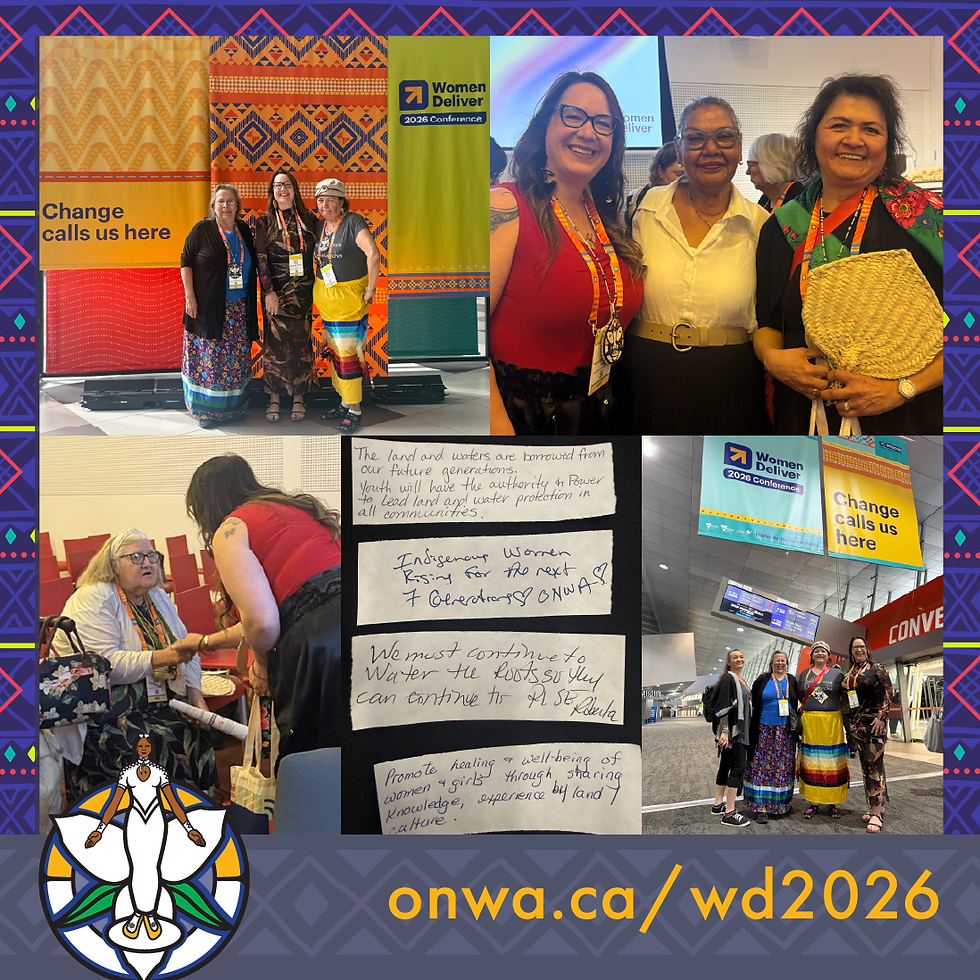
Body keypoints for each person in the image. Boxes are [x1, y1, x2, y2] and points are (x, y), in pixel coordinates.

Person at [755, 74, 943, 434]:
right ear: (814, 136)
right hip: (805, 417)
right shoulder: (782, 227)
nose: (854, 140)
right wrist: (773, 358)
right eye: (839, 125)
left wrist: (901, 389)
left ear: (888, 143)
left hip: (908, 419)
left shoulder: (927, 221)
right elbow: (766, 321)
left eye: (871, 130)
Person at [489, 71, 644, 436]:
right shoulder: (506, 206)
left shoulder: (604, 216)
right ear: (545, 125)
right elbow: (464, 336)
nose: (588, 132)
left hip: (601, 405)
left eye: (603, 124)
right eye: (573, 116)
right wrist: (496, 429)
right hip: (526, 417)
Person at [627, 96, 770, 434]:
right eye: (694, 139)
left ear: (737, 148)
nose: (711, 149)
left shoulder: (762, 226)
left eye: (724, 137)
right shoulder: (640, 209)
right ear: (678, 149)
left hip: (731, 378)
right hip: (645, 371)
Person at [185, 454, 342, 759]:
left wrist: (263, 667)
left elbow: (263, 624)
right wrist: (205, 642)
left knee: (315, 761)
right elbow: (273, 613)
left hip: (319, 644)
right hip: (358, 620)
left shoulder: (231, 528)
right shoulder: (294, 508)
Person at [53, 530, 216, 801]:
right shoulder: (94, 598)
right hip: (103, 708)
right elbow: (105, 666)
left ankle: (189, 810)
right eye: (136, 557)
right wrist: (165, 657)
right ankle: (137, 818)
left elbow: (187, 647)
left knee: (194, 731)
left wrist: (195, 694)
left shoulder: (157, 596)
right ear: (113, 565)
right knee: (151, 742)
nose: (148, 563)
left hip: (153, 702)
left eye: (152, 556)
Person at [84, 734, 205, 942]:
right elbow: (114, 803)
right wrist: (100, 829)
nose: (143, 748)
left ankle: (151, 916)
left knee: (154, 868)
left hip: (156, 820)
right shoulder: (128, 774)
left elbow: (173, 802)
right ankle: (137, 914)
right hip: (135, 821)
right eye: (139, 745)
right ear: (135, 748)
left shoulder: (159, 774)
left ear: (152, 749)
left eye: (146, 746)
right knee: (136, 868)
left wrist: (188, 828)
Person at [180, 184, 258, 428]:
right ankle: (207, 413)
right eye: (221, 201)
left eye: (230, 201)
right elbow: (186, 261)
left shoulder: (244, 230)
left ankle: (234, 409)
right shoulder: (202, 229)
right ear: (213, 206)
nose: (226, 206)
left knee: (236, 359)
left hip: (239, 307)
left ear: (238, 206)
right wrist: (190, 297)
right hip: (208, 308)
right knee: (210, 359)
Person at [312, 178, 380, 434]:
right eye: (320, 199)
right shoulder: (319, 226)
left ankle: (355, 410)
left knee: (349, 356)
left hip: (350, 301)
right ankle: (344, 402)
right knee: (336, 354)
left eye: (330, 199)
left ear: (342, 201)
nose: (325, 204)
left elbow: (373, 253)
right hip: (328, 301)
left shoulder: (352, 221)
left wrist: (371, 289)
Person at [254, 169, 318, 423]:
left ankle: (299, 397)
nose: (283, 189)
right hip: (276, 293)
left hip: (304, 292)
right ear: (272, 191)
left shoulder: (308, 219)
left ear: (295, 189)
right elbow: (260, 259)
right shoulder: (265, 221)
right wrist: (268, 292)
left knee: (301, 344)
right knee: (275, 345)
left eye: (287, 184)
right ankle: (274, 398)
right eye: (278, 185)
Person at [843, 636, 893, 834]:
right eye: (855, 647)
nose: (859, 650)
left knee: (873, 765)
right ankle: (877, 806)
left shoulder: (876, 668)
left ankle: (876, 813)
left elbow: (889, 693)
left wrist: (882, 717)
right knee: (868, 767)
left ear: (867, 649)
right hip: (858, 726)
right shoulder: (852, 673)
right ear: (851, 650)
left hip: (875, 724)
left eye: (862, 647)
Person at [744, 650, 800, 824]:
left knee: (782, 768)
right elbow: (753, 702)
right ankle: (760, 807)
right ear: (772, 663)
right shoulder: (762, 679)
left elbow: (795, 701)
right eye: (777, 660)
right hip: (763, 730)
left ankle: (781, 804)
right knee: (760, 768)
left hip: (785, 732)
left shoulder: (792, 680)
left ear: (787, 663)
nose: (780, 663)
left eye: (783, 660)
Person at [796, 640, 848, 819]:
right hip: (811, 722)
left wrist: (834, 710)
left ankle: (832, 801)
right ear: (812, 655)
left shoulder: (837, 674)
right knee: (812, 759)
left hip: (831, 722)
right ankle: (813, 800)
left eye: (823, 651)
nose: (820, 654)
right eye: (816, 651)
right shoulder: (804, 674)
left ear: (828, 655)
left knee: (832, 760)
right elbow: (801, 696)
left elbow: (845, 697)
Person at [710, 649, 752, 828]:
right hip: (735, 733)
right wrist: (725, 732)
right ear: (728, 662)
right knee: (737, 768)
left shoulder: (739, 678)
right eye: (735, 657)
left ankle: (717, 804)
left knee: (725, 765)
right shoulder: (729, 678)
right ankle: (729, 812)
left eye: (741, 656)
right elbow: (724, 707)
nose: (739, 659)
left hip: (736, 731)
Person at [625, 141, 685, 228]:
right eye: (679, 174)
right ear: (660, 171)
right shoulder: (639, 199)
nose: (685, 180)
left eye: (688, 175)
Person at [745, 133, 804, 212]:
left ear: (771, 165)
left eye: (751, 165)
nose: (747, 172)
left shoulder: (799, 202)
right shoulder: (765, 199)